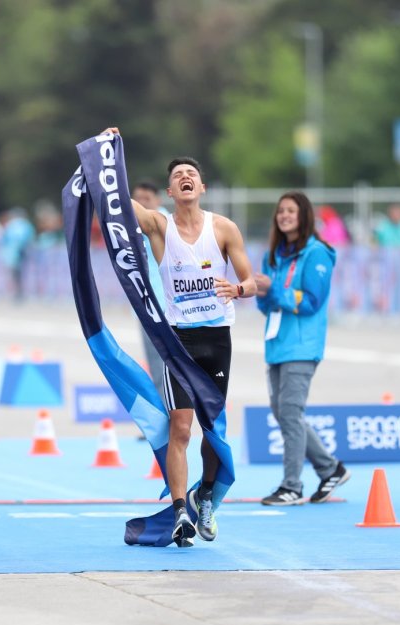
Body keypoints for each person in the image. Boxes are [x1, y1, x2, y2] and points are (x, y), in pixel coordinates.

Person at [117, 128, 257, 547]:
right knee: (181, 428)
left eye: (190, 173)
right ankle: (180, 511)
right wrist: (109, 155)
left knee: (212, 428)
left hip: (217, 339)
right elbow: (119, 203)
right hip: (178, 342)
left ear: (201, 186)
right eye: (177, 174)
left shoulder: (225, 228)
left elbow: (252, 280)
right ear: (169, 190)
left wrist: (239, 289)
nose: (185, 177)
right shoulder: (160, 227)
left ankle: (207, 499)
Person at [254, 192, 346, 506]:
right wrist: (261, 291)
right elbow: (266, 304)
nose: (284, 216)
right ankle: (330, 468)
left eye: (291, 210)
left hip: (303, 345)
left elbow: (311, 302)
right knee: (283, 413)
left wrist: (274, 289)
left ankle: (292, 486)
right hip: (277, 343)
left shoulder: (317, 253)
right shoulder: (273, 254)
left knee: (291, 413)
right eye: (280, 211)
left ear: (303, 215)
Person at [131, 181, 170, 403]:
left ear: (158, 200)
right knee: (155, 366)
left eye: (146, 199)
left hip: (164, 304)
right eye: (138, 199)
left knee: (165, 367)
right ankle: (163, 420)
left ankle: (169, 421)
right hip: (145, 303)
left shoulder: (162, 222)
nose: (141, 204)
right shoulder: (130, 226)